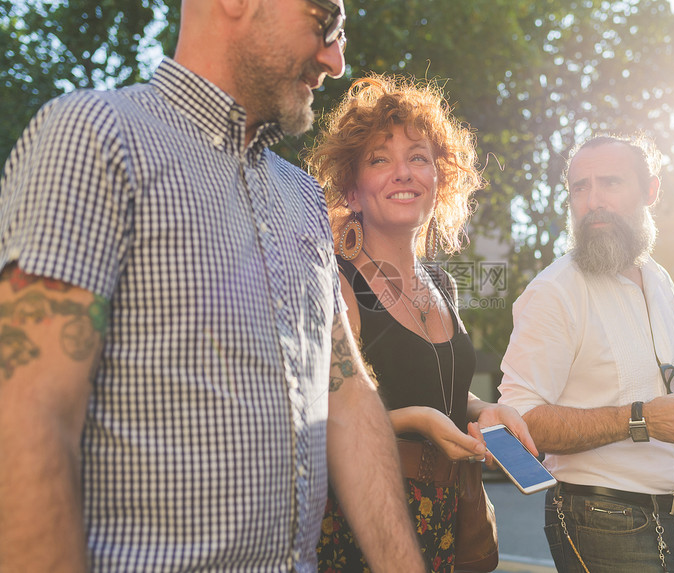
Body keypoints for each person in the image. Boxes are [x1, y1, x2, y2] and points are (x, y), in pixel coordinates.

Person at [0, 1, 426, 571]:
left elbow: (345, 393)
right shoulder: (94, 136)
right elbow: (25, 419)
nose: (337, 58)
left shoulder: (300, 196)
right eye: (324, 19)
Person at [306, 74, 537, 573]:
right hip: (364, 523)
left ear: (440, 179)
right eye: (379, 159)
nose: (403, 172)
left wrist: (484, 410)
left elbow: (440, 389)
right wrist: (413, 422)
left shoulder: (442, 284)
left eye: (418, 157)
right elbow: (323, 423)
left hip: (447, 520)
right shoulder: (337, 283)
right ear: (352, 189)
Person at [498, 134, 674, 572]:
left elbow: (672, 407)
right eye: (579, 188)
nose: (592, 201)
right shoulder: (553, 291)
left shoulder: (660, 282)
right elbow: (518, 422)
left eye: (610, 183)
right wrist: (639, 419)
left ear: (650, 191)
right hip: (602, 521)